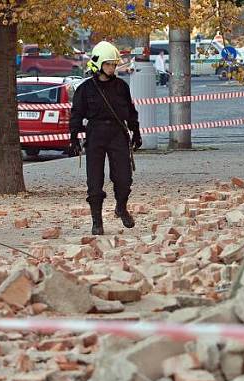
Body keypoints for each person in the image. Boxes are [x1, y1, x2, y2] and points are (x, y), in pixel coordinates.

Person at [69, 41, 141, 236]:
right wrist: (74, 137)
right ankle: (97, 221)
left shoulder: (121, 87)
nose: (112, 68)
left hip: (118, 133)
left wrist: (136, 131)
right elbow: (76, 114)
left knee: (124, 179)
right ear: (98, 64)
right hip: (95, 134)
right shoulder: (85, 89)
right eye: (108, 64)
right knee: (94, 181)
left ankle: (121, 207)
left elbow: (130, 111)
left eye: (114, 64)